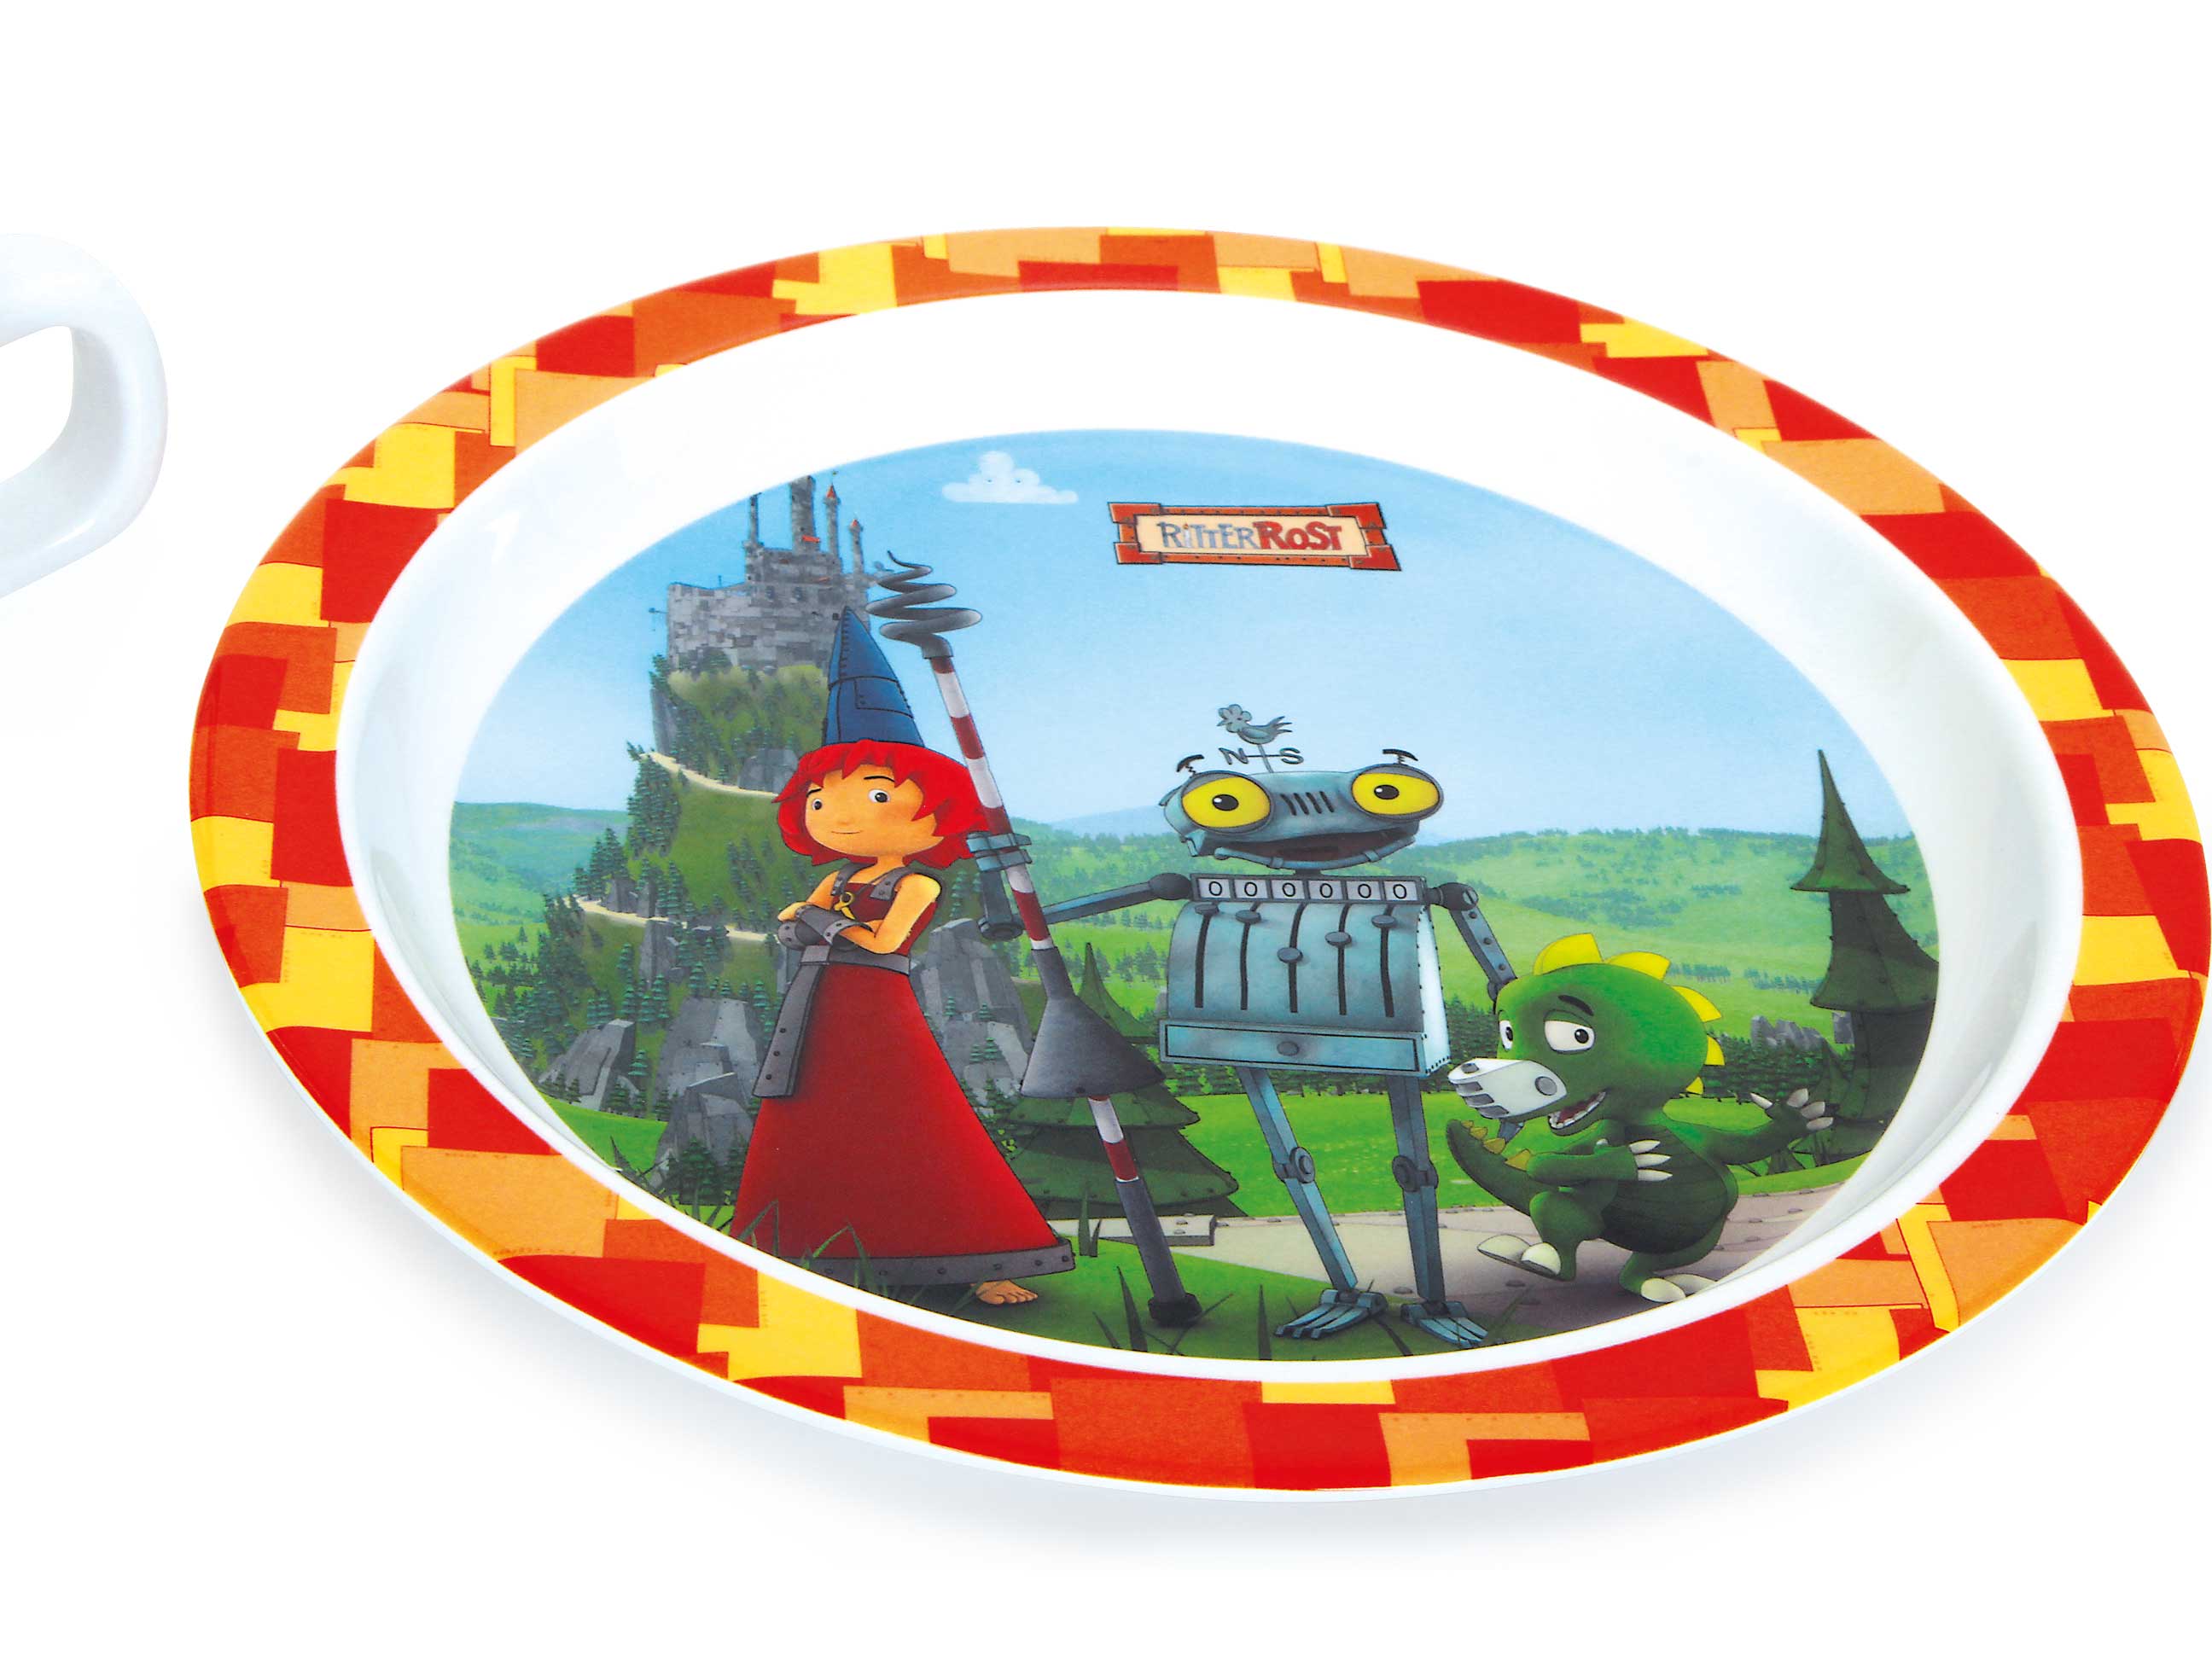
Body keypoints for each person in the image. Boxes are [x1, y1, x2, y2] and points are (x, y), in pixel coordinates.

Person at [735, 610, 1072, 1305]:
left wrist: (819, 922)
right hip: (817, 1006)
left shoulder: (916, 884)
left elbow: (884, 942)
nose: (841, 814)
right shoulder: (839, 876)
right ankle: (802, 1247)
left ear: (936, 808)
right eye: (822, 798)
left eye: (877, 794)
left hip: (878, 1007)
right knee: (812, 1114)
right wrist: (814, 920)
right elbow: (793, 924)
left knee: (914, 1114)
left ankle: (984, 1256)